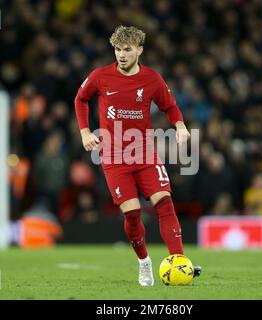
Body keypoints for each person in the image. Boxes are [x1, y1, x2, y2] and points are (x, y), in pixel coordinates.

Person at [74, 25, 200, 286]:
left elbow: (170, 105)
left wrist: (179, 125)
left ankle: (179, 261)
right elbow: (80, 99)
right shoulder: (100, 76)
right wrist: (85, 131)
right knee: (132, 214)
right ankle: (144, 262)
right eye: (118, 49)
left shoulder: (152, 79)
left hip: (144, 152)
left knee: (164, 201)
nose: (121, 54)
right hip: (114, 155)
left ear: (139, 50)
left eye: (127, 49)